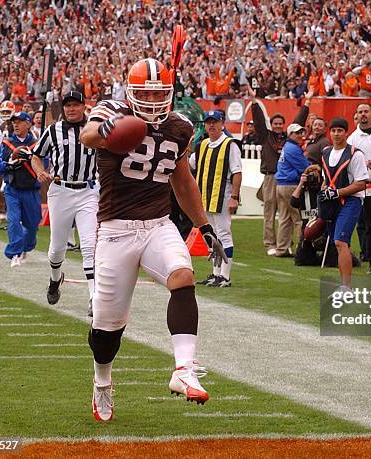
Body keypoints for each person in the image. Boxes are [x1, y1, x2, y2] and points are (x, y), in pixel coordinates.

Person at [80, 58, 227, 421]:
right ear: (130, 91)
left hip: (158, 224)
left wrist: (204, 226)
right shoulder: (112, 110)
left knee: (183, 276)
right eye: (144, 92)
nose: (151, 99)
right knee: (107, 326)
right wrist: (106, 130)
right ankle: (102, 381)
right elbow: (87, 135)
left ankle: (183, 370)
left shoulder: (179, 126)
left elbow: (182, 179)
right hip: (115, 231)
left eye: (158, 93)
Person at [31, 91, 98, 316]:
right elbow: (35, 155)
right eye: (67, 105)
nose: (71, 109)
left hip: (88, 190)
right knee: (58, 248)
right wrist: (40, 171)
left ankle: (94, 298)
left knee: (89, 246)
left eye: (75, 105)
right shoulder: (53, 130)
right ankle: (54, 278)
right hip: (61, 190)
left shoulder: (95, 128)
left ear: (83, 106)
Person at [246, 84, 310, 255]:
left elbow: (299, 121)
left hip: (284, 180)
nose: (278, 125)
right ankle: (269, 243)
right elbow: (259, 120)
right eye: (275, 123)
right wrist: (254, 101)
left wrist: (307, 102)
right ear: (271, 124)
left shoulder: (289, 138)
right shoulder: (265, 136)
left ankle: (285, 243)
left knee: (285, 213)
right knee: (269, 212)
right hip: (269, 177)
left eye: (280, 123)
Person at [191, 110, 242, 287]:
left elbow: (237, 172)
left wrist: (234, 196)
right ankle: (216, 273)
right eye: (208, 122)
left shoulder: (230, 144)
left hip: (222, 196)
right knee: (212, 237)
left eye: (215, 122)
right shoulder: (203, 144)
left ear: (222, 124)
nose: (211, 125)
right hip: (205, 197)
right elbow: (190, 164)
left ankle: (225, 276)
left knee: (224, 235)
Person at [319, 117, 368, 289]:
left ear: (346, 133)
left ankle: (347, 287)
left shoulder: (355, 153)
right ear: (329, 132)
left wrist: (338, 192)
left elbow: (361, 183)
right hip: (332, 203)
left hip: (351, 201)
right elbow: (326, 179)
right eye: (333, 130)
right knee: (337, 243)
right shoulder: (325, 152)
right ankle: (343, 285)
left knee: (341, 241)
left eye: (340, 130)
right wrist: (324, 190)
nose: (336, 134)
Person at [0, 112, 41, 267]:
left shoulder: (37, 143)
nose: (16, 125)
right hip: (12, 189)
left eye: (20, 122)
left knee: (32, 224)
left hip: (31, 190)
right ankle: (14, 253)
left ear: (28, 124)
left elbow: (45, 163)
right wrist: (10, 164)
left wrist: (32, 159)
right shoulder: (6, 144)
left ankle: (26, 247)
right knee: (13, 221)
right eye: (14, 122)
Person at [348, 103, 371, 274]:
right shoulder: (353, 138)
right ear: (357, 114)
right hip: (368, 186)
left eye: (366, 111)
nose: (363, 114)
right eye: (360, 112)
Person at [274, 123, 310, 257]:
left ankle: (281, 249)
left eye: (301, 132)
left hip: (281, 185)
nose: (301, 135)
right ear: (290, 134)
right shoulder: (293, 148)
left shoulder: (287, 147)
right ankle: (303, 250)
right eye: (297, 133)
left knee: (284, 218)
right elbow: (304, 167)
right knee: (299, 219)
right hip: (291, 186)